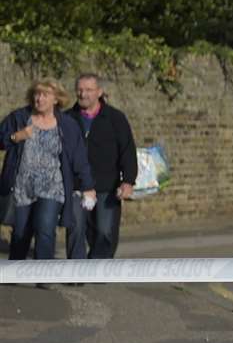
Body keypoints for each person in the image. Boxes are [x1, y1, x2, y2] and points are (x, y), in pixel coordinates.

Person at [2, 79, 95, 261]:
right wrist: (16, 136)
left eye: (45, 95)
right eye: (37, 94)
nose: (40, 99)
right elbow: (1, 139)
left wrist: (88, 186)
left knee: (45, 227)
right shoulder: (19, 118)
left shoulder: (67, 125)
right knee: (21, 232)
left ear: (56, 99)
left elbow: (79, 158)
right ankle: (16, 271)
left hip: (52, 187)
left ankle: (44, 274)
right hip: (23, 187)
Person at [65, 73, 138, 260]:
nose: (83, 94)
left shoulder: (115, 118)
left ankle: (98, 266)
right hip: (77, 185)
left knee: (105, 231)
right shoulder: (66, 119)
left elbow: (128, 151)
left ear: (99, 92)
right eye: (80, 90)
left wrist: (128, 181)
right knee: (76, 229)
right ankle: (76, 270)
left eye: (89, 90)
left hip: (107, 185)